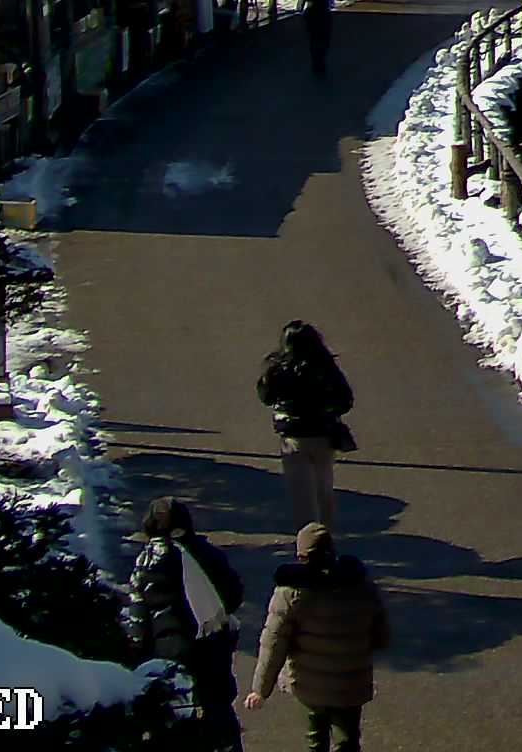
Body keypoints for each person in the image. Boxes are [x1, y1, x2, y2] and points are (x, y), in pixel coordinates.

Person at [241, 524, 387, 752]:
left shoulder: (290, 592)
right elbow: (380, 633)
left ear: (301, 555)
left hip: (309, 684)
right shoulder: (360, 584)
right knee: (347, 740)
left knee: (315, 739)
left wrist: (260, 689)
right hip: (350, 683)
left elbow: (274, 642)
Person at [125, 497, 247, 744]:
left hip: (168, 651)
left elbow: (138, 614)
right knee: (218, 708)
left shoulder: (147, 562)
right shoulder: (207, 554)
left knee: (174, 715)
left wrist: (135, 651)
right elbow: (233, 595)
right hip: (211, 646)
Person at [258, 322, 356, 534]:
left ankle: (307, 542)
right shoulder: (325, 367)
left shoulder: (278, 369)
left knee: (301, 494)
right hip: (322, 434)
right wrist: (329, 411)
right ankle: (326, 537)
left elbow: (265, 396)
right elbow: (346, 399)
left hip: (293, 437)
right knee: (324, 489)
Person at [300, 0, 334, 77]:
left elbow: (301, 2)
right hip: (324, 14)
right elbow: (331, 1)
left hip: (311, 14)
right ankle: (321, 60)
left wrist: (301, 12)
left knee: (313, 39)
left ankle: (315, 61)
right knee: (324, 39)